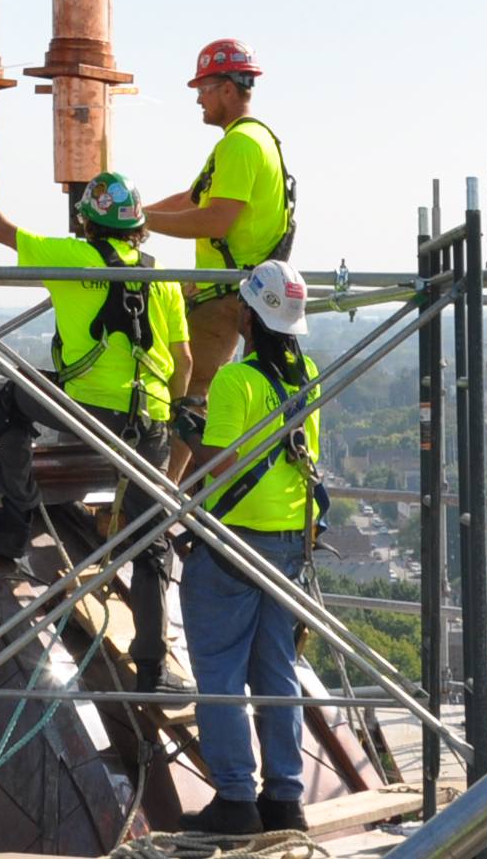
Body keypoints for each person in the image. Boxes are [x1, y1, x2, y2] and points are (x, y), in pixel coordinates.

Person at [0, 149, 191, 694]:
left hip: (88, 411)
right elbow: (183, 361)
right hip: (151, 422)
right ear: (138, 229)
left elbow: (2, 231)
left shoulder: (73, 258)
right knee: (150, 542)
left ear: (87, 222)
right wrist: (173, 413)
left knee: (11, 402)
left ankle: (15, 523)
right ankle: (154, 670)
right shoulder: (164, 278)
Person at [176, 259, 322, 838]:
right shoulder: (307, 374)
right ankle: (284, 798)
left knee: (219, 672)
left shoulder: (237, 382)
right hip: (288, 543)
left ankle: (236, 798)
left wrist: (187, 427)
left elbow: (218, 469)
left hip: (234, 545)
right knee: (277, 672)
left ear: (246, 314)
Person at [144, 38, 296, 476]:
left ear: (229, 89)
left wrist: (139, 225)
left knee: (184, 393)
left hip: (227, 294)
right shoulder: (249, 142)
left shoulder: (241, 145)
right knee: (196, 393)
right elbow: (192, 199)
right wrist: (134, 213)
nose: (198, 98)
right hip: (233, 289)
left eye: (205, 88)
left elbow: (215, 221)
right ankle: (180, 494)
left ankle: (157, 502)